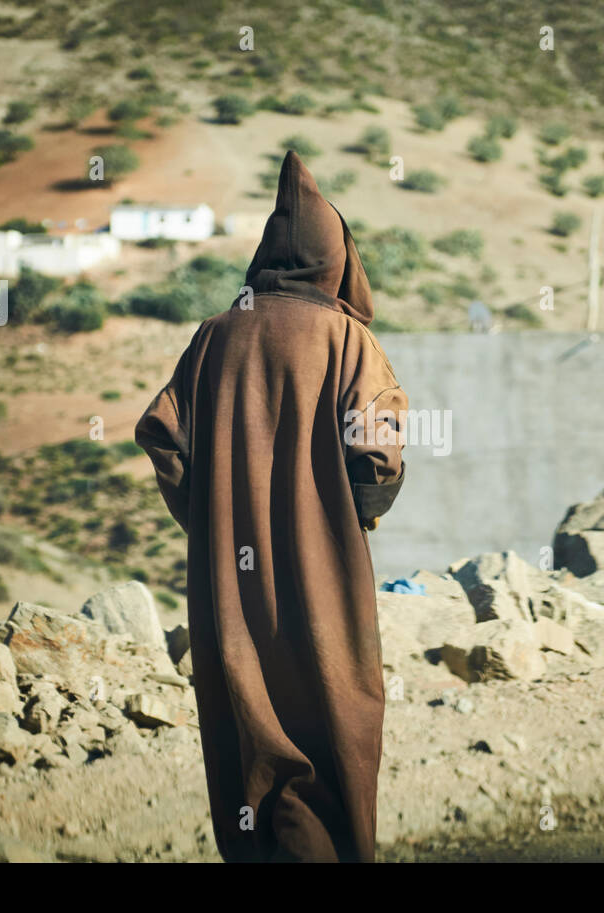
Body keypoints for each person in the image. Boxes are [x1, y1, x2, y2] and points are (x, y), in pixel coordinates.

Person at [135, 152, 407, 862]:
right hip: (327, 576)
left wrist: (209, 521)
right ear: (335, 262)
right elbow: (378, 454)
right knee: (336, 711)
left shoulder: (214, 338)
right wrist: (355, 516)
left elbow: (162, 432)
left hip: (229, 581)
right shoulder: (347, 340)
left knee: (249, 725)